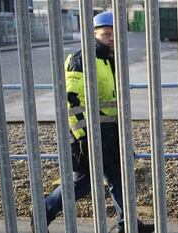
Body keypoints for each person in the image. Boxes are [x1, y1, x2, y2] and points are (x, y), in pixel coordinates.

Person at [32, 11, 154, 233]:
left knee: (119, 179)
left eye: (114, 35)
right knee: (82, 183)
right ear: (93, 34)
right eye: (106, 34)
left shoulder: (109, 59)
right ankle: (42, 213)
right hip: (90, 135)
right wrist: (83, 138)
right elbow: (72, 102)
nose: (111, 38)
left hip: (111, 134)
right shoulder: (82, 59)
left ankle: (128, 226)